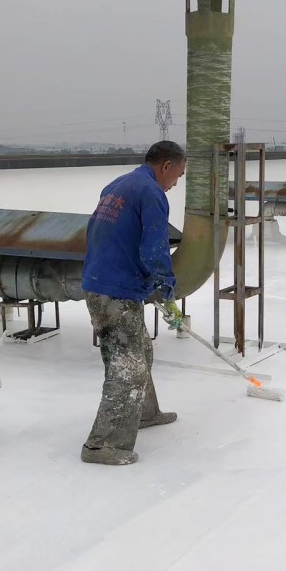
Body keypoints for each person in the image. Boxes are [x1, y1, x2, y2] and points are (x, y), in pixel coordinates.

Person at [80, 141, 186, 466]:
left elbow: (98, 233)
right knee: (127, 368)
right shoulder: (151, 193)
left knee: (141, 351)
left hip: (102, 281)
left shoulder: (119, 185)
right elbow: (154, 248)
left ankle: (145, 413)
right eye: (178, 175)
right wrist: (166, 291)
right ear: (165, 166)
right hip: (115, 291)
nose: (176, 183)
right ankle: (101, 445)